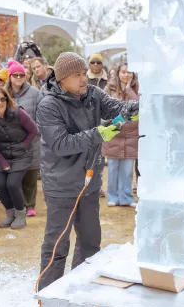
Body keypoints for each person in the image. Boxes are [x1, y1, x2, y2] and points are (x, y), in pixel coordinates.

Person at [37, 52, 139, 290]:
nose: (84, 79)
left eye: (85, 74)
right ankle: (49, 298)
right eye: (78, 75)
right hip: (61, 186)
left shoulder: (92, 94)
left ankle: (81, 290)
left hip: (89, 183)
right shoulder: (49, 104)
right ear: (62, 79)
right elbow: (61, 144)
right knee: (57, 246)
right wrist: (99, 134)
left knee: (91, 242)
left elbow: (118, 107)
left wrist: (141, 106)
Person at [0, 86, 38, 229]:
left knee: (12, 184)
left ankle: (20, 215)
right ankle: (10, 215)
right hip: (1, 156)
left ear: (7, 99)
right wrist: (2, 162)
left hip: (21, 156)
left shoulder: (18, 112)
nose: (0, 103)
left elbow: (34, 130)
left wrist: (24, 146)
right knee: (0, 186)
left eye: (3, 99)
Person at [6, 60, 41, 216]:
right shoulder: (4, 94)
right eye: (15, 75)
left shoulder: (34, 93)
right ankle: (18, 204)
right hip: (11, 141)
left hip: (32, 139)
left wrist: (37, 130)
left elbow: (42, 115)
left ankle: (30, 205)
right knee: (15, 174)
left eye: (21, 74)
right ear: (10, 77)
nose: (19, 77)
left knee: (31, 174)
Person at [102, 63, 139, 207]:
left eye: (129, 72)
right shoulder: (109, 88)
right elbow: (103, 106)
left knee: (128, 169)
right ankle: (113, 196)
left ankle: (126, 196)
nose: (126, 75)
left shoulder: (137, 88)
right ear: (118, 73)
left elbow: (139, 106)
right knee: (112, 168)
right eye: (123, 72)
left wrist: (129, 91)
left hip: (131, 134)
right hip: (114, 133)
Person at [87, 53, 108, 197]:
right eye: (93, 62)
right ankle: (86, 186)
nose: (95, 65)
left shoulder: (108, 81)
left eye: (98, 62)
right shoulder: (85, 78)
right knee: (87, 156)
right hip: (86, 121)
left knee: (100, 158)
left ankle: (96, 186)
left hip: (104, 122)